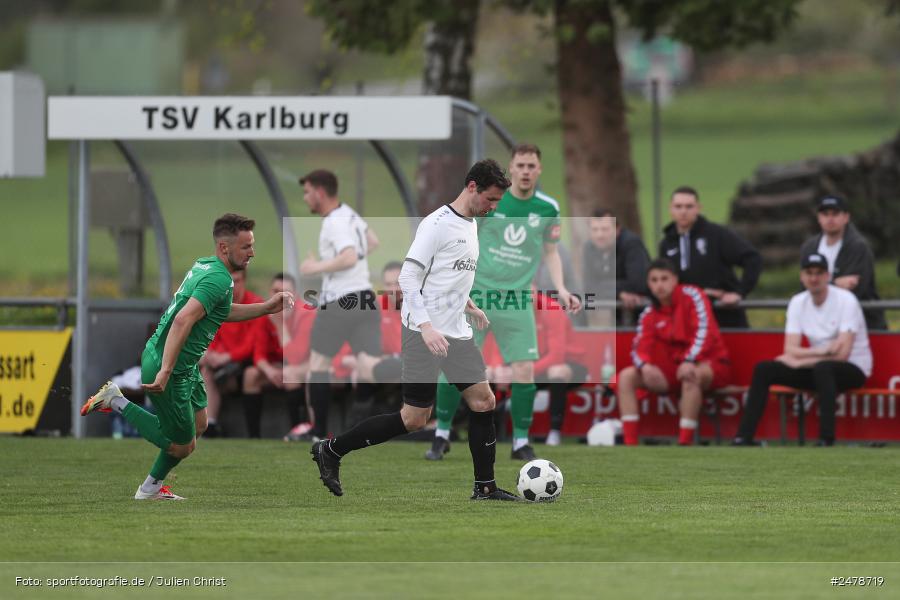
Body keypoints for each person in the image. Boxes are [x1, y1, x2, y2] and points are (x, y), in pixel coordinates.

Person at [309, 159, 522, 501]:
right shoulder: (436, 224)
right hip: (425, 333)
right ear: (472, 188)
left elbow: (448, 275)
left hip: (456, 332)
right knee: (413, 419)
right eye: (491, 199)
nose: (494, 207)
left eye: (498, 201)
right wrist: (426, 327)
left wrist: (469, 305)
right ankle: (332, 450)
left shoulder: (470, 223)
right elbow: (409, 278)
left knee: (484, 401)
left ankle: (485, 487)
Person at [80, 214, 293, 500]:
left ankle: (151, 488)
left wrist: (266, 307)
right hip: (170, 365)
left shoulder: (207, 265)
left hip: (183, 364)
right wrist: (166, 370)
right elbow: (182, 321)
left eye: (252, 245)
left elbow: (220, 309)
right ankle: (116, 401)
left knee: (200, 424)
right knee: (182, 446)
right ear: (224, 248)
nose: (252, 252)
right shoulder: (219, 278)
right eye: (246, 247)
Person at [429, 143, 581, 462]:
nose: (526, 171)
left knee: (524, 368)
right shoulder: (492, 200)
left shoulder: (547, 209)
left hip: (517, 299)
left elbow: (551, 252)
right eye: (520, 165)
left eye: (531, 166)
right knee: (454, 364)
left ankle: (521, 441)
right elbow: (467, 240)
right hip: (478, 296)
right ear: (511, 169)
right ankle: (441, 434)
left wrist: (562, 289)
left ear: (539, 170)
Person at [732, 252, 872, 447]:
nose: (814, 278)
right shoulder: (798, 302)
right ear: (802, 276)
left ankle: (826, 439)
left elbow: (842, 354)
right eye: (809, 273)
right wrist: (823, 352)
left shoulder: (846, 300)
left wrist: (800, 360)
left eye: (819, 273)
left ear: (828, 276)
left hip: (853, 368)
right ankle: (743, 437)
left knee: (825, 368)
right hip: (820, 367)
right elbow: (790, 349)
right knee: (764, 369)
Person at [299, 169, 381, 441]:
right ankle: (364, 428)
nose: (305, 198)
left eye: (308, 192)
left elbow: (347, 257)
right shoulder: (350, 213)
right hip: (365, 297)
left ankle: (318, 433)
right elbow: (372, 242)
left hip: (340, 301)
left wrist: (315, 267)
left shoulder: (334, 221)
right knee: (368, 366)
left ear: (320, 192)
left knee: (319, 365)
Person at [616, 258, 732, 446]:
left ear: (675, 279)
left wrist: (690, 360)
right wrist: (644, 366)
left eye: (664, 279)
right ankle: (630, 444)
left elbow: (705, 332)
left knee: (691, 375)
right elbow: (639, 347)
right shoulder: (649, 312)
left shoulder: (694, 295)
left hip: (709, 364)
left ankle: (684, 443)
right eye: (654, 280)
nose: (659, 285)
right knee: (626, 376)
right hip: (673, 369)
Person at [659, 186, 762, 329]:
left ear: (698, 208)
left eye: (689, 206)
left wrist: (740, 292)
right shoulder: (666, 243)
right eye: (678, 206)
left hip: (724, 318)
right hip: (687, 319)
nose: (683, 211)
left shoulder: (717, 235)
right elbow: (665, 278)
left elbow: (752, 259)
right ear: (671, 209)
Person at [799, 196, 886, 331]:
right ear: (818, 218)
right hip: (820, 323)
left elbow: (854, 291)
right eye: (825, 214)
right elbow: (804, 286)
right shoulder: (809, 247)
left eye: (835, 214)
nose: (830, 219)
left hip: (862, 324)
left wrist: (819, 286)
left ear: (846, 217)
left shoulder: (859, 247)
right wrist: (836, 284)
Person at [241, 273, 312, 438]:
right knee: (250, 375)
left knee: (291, 373)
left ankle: (298, 431)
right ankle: (253, 437)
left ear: (295, 295)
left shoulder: (304, 314)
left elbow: (296, 356)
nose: (279, 297)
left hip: (306, 365)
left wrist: (281, 326)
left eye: (285, 292)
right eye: (275, 291)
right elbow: (259, 354)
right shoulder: (265, 312)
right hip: (278, 367)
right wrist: (269, 370)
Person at [198, 268, 263, 437]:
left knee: (250, 374)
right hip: (226, 368)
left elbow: (253, 344)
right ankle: (209, 425)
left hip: (249, 363)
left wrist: (226, 357)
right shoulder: (219, 305)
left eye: (237, 281)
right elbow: (212, 337)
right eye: (230, 283)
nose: (234, 287)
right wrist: (210, 354)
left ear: (245, 281)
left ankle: (253, 435)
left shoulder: (256, 304)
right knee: (204, 369)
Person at [582, 209, 651, 326]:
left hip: (643, 313)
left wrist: (606, 288)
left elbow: (638, 284)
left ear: (617, 229)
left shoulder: (632, 244)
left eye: (605, 229)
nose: (600, 235)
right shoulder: (589, 248)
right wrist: (619, 292)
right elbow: (589, 287)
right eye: (595, 230)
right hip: (617, 314)